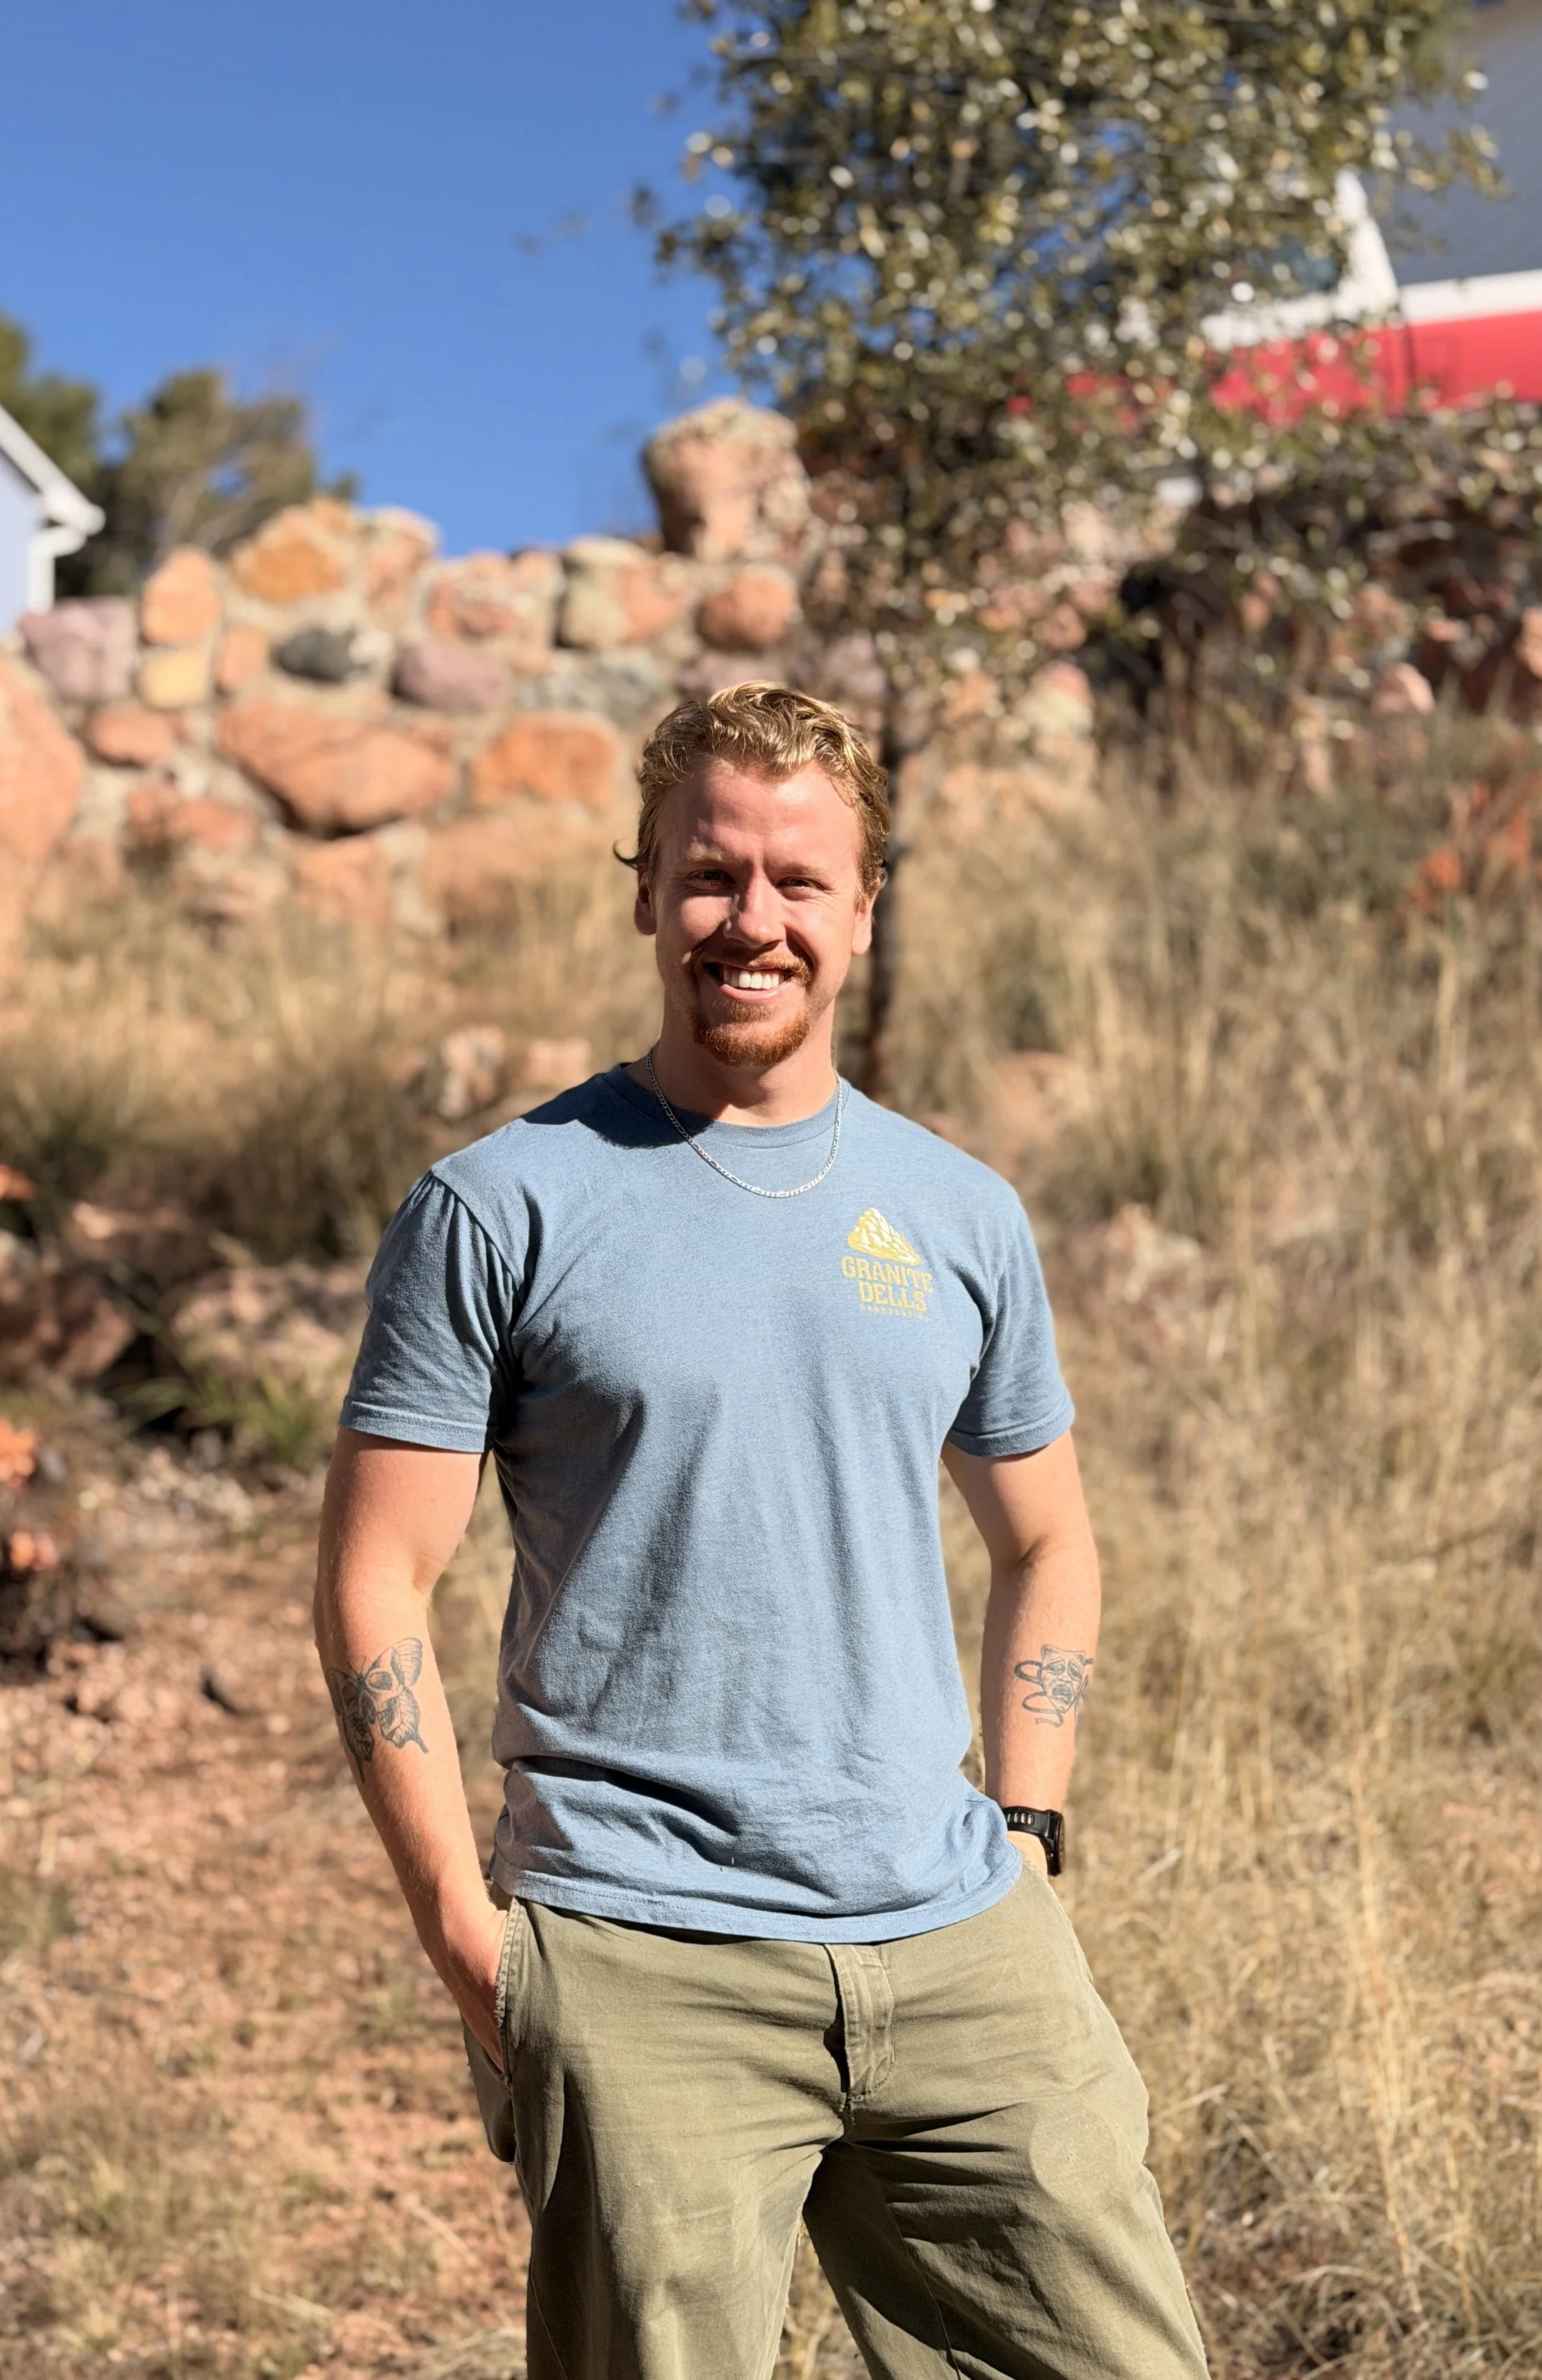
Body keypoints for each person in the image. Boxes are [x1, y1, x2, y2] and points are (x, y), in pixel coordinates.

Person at [313, 683, 1209, 2380]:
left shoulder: (954, 1212)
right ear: (643, 888)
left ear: (863, 912)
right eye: (710, 873)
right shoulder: (501, 1204)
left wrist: (1022, 1831)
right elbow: (374, 1581)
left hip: (957, 1941)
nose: (752, 921)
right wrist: (466, 1932)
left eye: (799, 882)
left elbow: (1048, 1541)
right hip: (641, 1959)